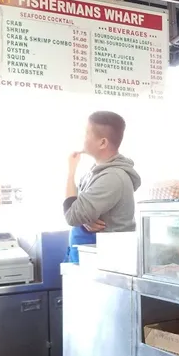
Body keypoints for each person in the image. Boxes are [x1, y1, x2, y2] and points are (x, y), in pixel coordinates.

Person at [63, 111, 141, 262]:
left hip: (106, 261)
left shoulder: (112, 177)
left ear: (103, 143)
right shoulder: (94, 173)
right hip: (87, 256)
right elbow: (76, 209)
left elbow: (71, 215)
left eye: (86, 133)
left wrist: (71, 172)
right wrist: (85, 219)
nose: (83, 138)